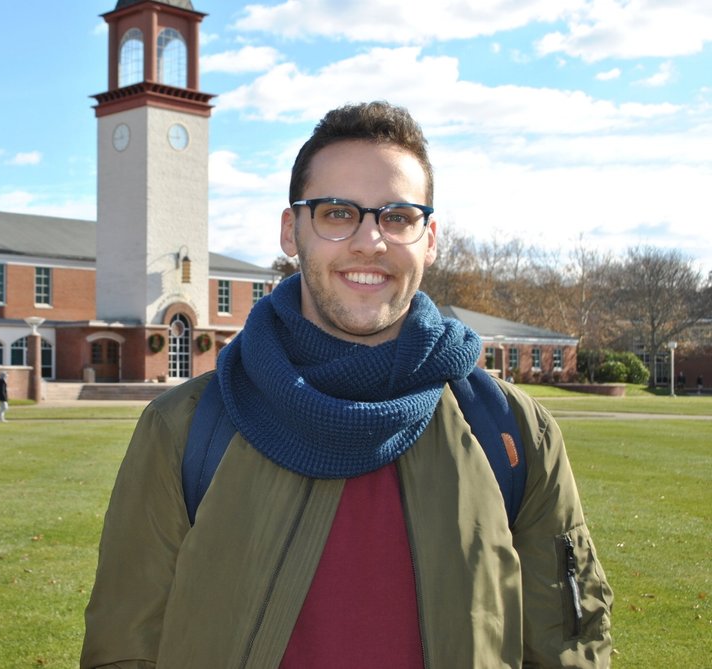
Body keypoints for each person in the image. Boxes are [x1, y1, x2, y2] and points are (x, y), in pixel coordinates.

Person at [81, 102, 613, 668]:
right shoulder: (186, 430)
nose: (369, 241)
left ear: (429, 238)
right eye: (337, 213)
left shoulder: (513, 436)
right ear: (292, 231)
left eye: (398, 216)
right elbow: (124, 650)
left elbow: (567, 650)